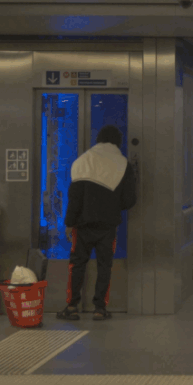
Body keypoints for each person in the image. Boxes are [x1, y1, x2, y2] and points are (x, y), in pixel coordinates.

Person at [58, 125, 137, 321]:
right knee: (105, 266)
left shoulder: (83, 161)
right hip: (108, 226)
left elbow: (74, 197)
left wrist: (69, 223)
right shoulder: (123, 164)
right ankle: (99, 308)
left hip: (82, 225)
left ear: (98, 139)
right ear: (118, 141)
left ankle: (72, 306)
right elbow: (129, 200)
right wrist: (112, 205)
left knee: (77, 265)